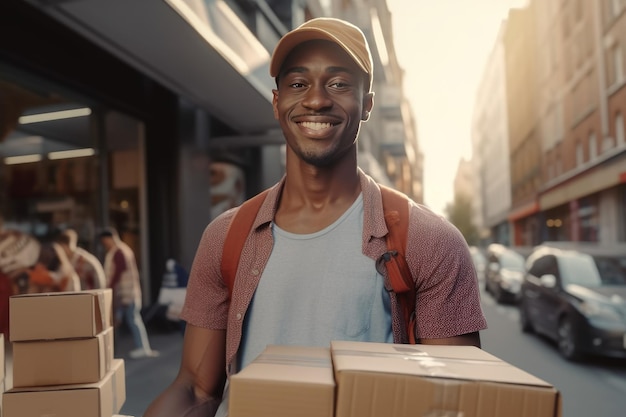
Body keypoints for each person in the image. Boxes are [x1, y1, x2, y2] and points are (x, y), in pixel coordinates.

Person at [144, 17, 487, 417]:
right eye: (297, 83)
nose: (317, 100)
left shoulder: (429, 241)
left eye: (339, 83)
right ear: (277, 102)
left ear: (368, 105)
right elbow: (196, 391)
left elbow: (453, 404)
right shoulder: (225, 236)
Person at [98, 227, 158, 359]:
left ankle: (142, 347)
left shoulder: (119, 251)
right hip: (127, 293)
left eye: (104, 241)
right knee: (128, 320)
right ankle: (140, 348)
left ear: (109, 238)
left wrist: (110, 287)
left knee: (132, 320)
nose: (104, 244)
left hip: (125, 294)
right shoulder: (122, 249)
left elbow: (118, 272)